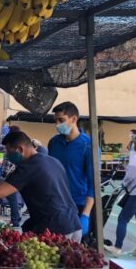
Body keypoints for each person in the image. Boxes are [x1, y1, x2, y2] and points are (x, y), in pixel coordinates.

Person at [0, 131, 81, 239]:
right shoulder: (53, 161)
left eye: (9, 151)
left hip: (55, 230)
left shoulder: (28, 167)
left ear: (20, 149)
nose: (7, 155)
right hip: (75, 224)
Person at [48, 102, 94, 239]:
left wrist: (85, 214)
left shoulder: (88, 146)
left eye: (61, 120)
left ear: (73, 119)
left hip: (77, 205)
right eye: (55, 120)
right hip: (56, 204)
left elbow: (93, 183)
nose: (57, 124)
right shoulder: (54, 143)